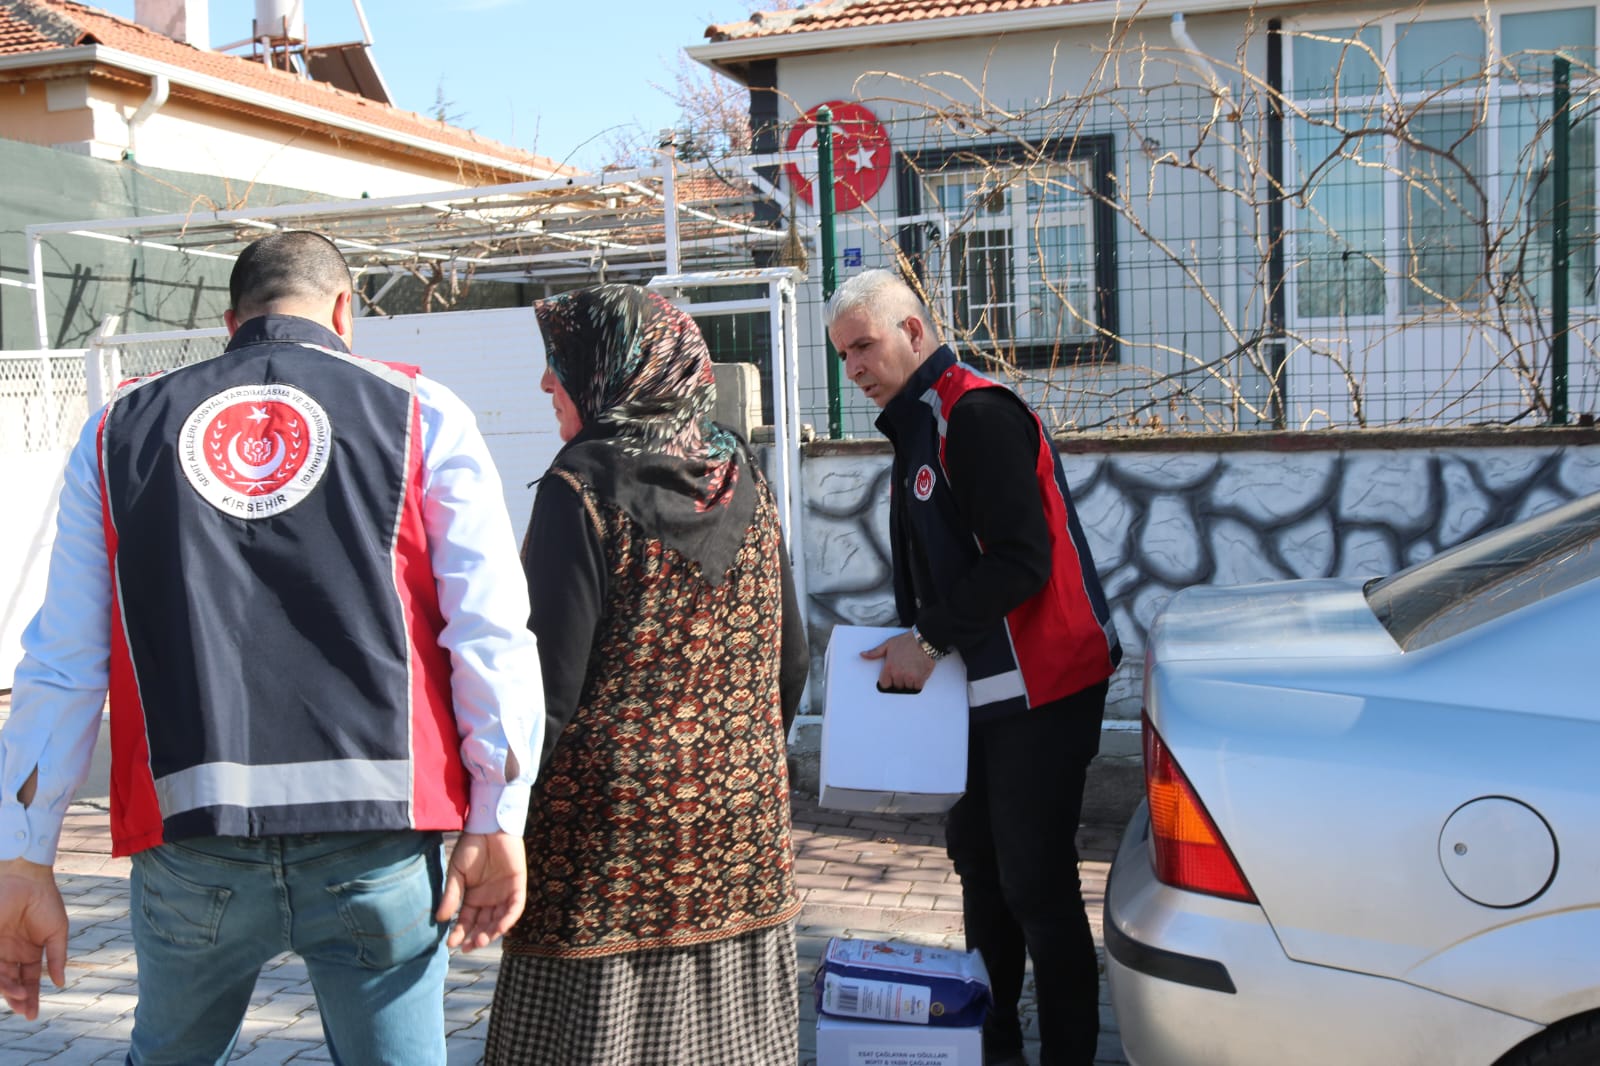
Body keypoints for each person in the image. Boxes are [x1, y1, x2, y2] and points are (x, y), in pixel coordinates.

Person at [0, 230, 543, 1064]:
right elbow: (488, 629)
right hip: (380, 837)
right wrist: (497, 813)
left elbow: (65, 660)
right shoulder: (422, 412)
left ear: (230, 321)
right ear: (344, 309)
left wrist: (24, 856)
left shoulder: (118, 429)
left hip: (193, 840)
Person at [485, 284, 808, 1066]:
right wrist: (733, 756)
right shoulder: (746, 475)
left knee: (593, 1036)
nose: (544, 384)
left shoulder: (580, 486)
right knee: (725, 1035)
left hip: (604, 835)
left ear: (610, 370)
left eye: (557, 365)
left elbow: (546, 692)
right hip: (740, 813)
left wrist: (494, 811)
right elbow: (790, 661)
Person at [825, 269, 1121, 1066]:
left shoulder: (975, 413)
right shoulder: (920, 422)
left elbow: (1021, 562)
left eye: (865, 345)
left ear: (913, 332)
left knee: (1035, 885)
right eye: (843, 355)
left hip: (1046, 686)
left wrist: (925, 640)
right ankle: (992, 1049)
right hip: (983, 691)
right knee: (982, 875)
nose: (853, 368)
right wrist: (916, 638)